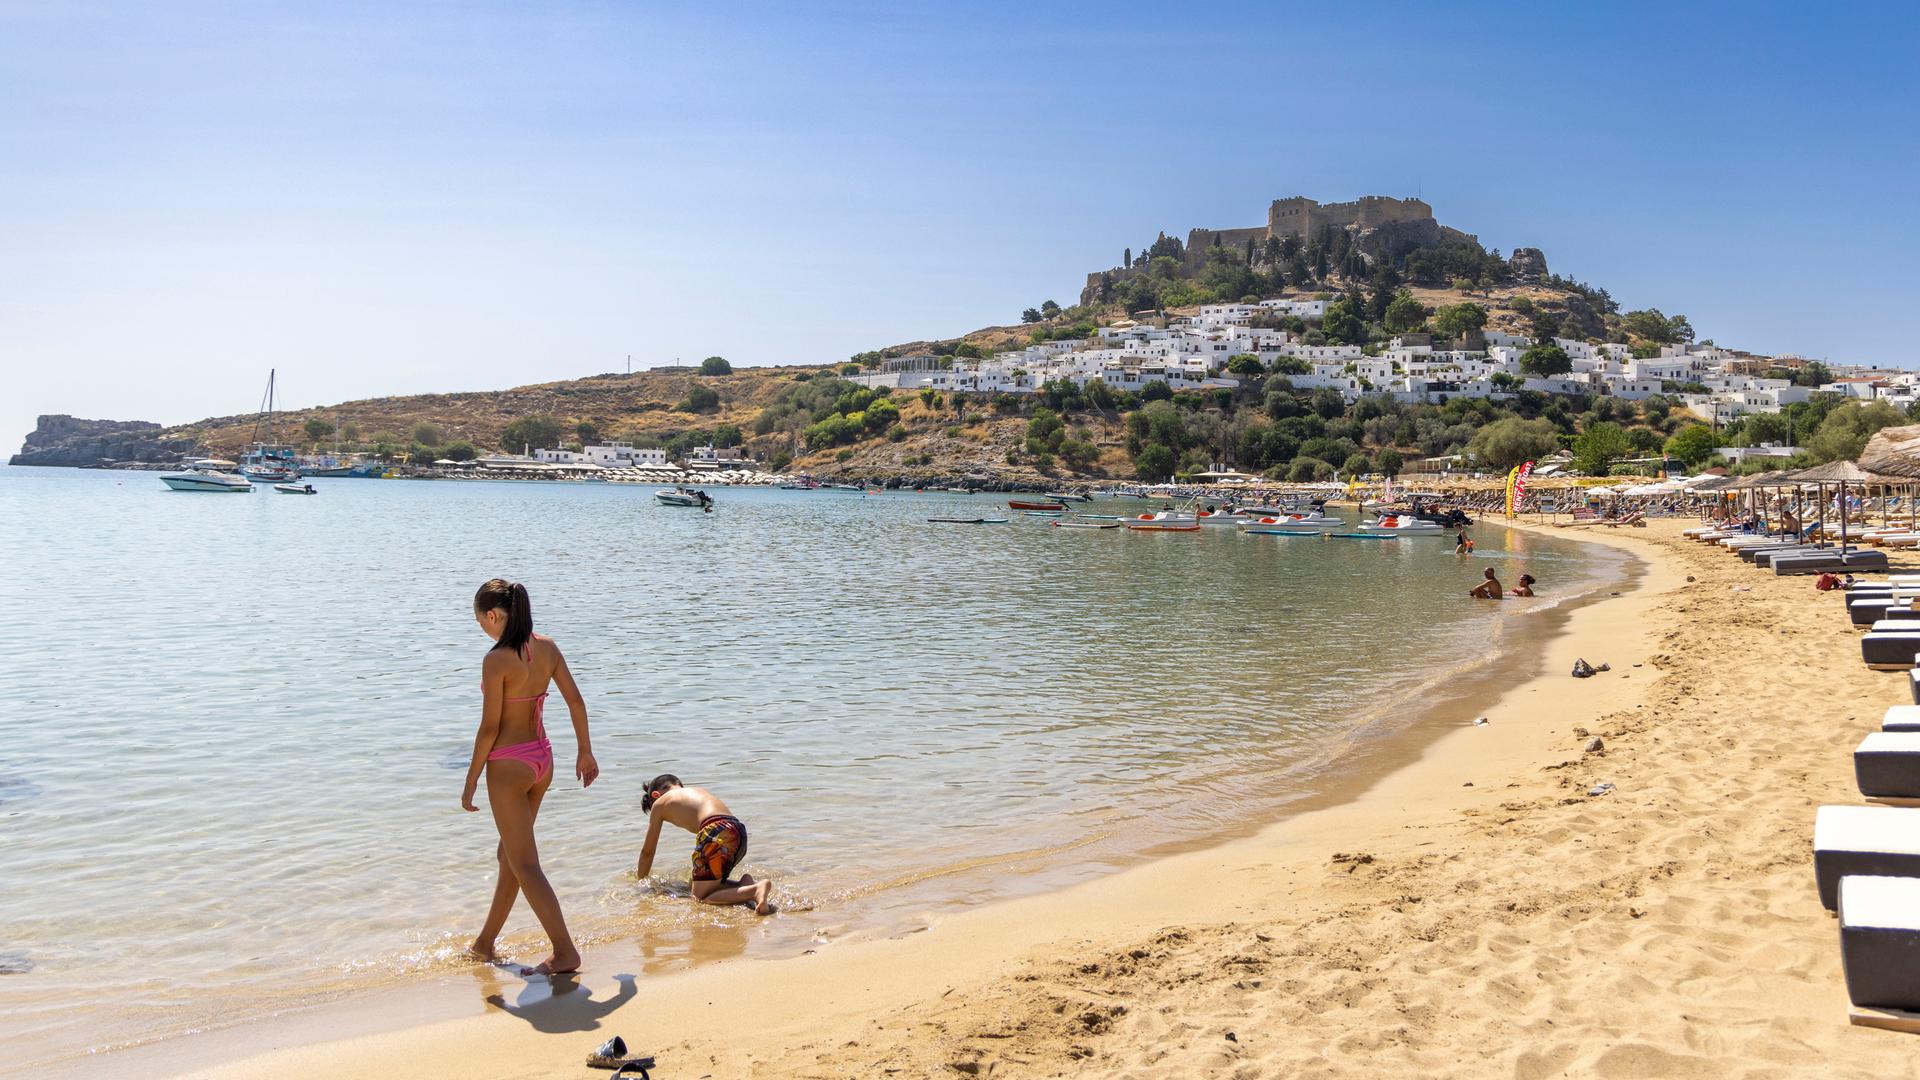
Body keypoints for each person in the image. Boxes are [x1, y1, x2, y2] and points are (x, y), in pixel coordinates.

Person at [463, 578, 599, 975]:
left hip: (507, 765)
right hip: (542, 758)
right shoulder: (548, 648)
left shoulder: (496, 659)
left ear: (492, 615)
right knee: (510, 854)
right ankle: (485, 943)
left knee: (525, 863)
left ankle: (564, 951)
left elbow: (489, 729)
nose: (483, 629)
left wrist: (471, 778)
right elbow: (575, 700)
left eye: (480, 622)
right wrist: (585, 751)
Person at [636, 774, 773, 915]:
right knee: (697, 884)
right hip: (737, 831)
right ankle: (742, 885)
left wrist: (641, 882)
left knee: (699, 897)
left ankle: (754, 891)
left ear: (656, 795)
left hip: (715, 831)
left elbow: (647, 852)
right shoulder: (698, 792)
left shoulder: (659, 803)